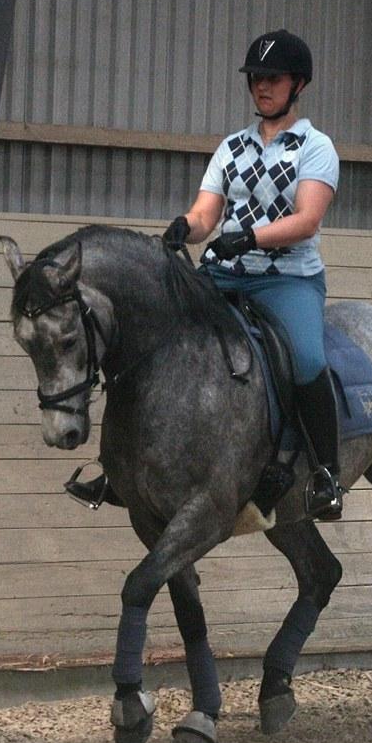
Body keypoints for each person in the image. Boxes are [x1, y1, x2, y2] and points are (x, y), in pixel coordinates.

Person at [67, 28, 343, 520]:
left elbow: (307, 220)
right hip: (225, 273)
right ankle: (119, 464)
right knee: (155, 336)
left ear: (298, 84)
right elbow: (205, 215)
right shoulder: (232, 147)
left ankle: (326, 473)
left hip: (287, 278)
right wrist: (183, 227)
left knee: (304, 358)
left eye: (272, 78)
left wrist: (251, 238)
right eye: (255, 78)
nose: (261, 86)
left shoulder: (315, 147)